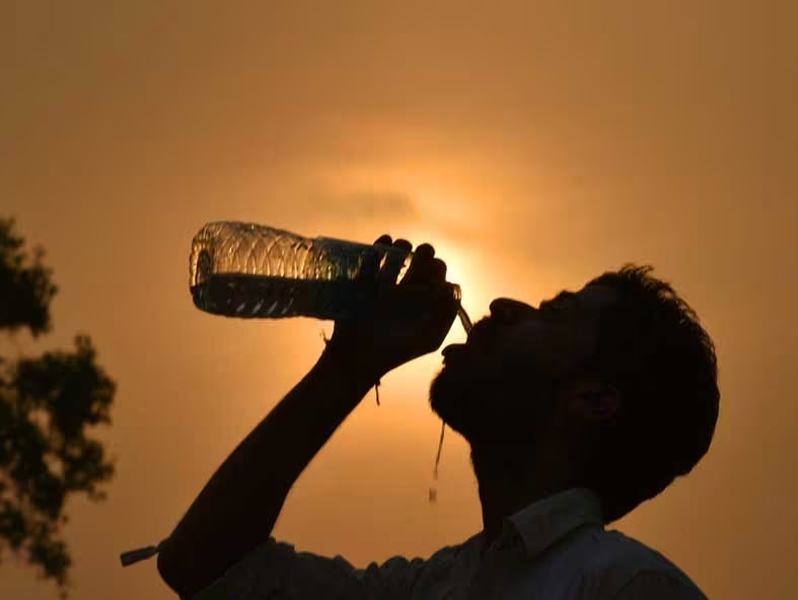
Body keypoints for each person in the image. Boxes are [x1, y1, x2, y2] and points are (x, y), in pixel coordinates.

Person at [156, 236, 719, 599]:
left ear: (594, 401)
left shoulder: (626, 587)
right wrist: (351, 364)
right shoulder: (433, 586)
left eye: (553, 314)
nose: (503, 308)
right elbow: (202, 564)